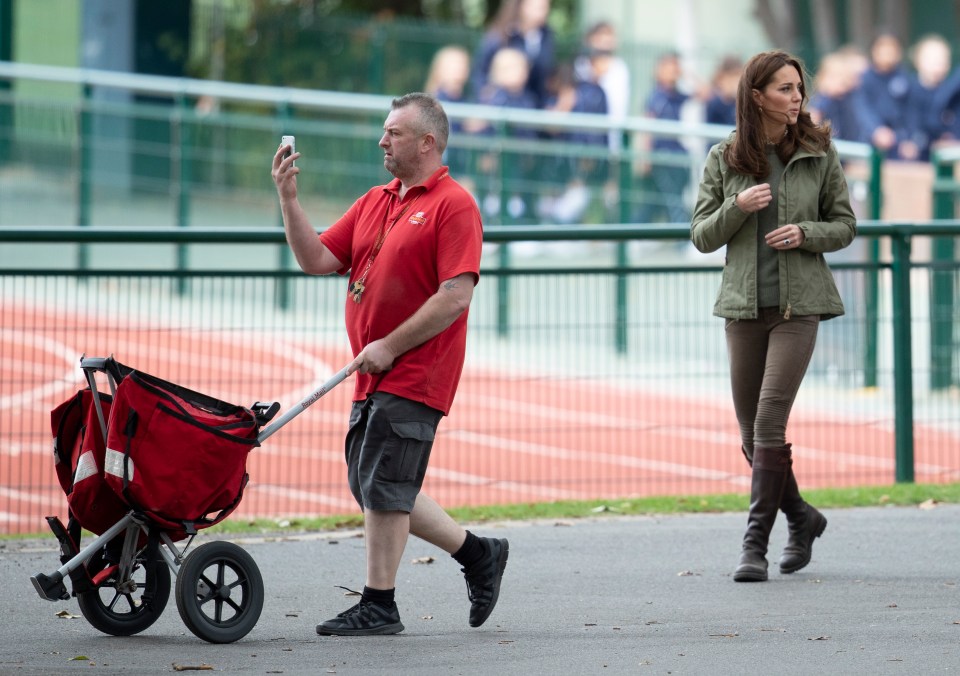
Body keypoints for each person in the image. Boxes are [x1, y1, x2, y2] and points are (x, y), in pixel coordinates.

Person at [271, 93, 508, 635]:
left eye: (394, 133)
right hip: (374, 370)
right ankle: (478, 554)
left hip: (415, 371)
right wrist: (289, 200)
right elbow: (316, 259)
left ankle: (380, 603)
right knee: (373, 481)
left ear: (427, 142)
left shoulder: (454, 204)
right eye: (384, 131)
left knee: (381, 482)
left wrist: (391, 345)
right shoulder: (376, 199)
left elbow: (455, 295)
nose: (382, 141)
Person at [690, 51, 856, 582]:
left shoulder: (819, 152)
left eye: (799, 89)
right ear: (757, 95)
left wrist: (807, 232)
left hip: (799, 306)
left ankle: (754, 544)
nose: (796, 98)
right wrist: (736, 209)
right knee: (750, 435)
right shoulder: (724, 157)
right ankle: (802, 517)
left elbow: (845, 225)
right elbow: (700, 236)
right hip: (743, 308)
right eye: (785, 89)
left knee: (767, 421)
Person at [472, 0, 555, 109]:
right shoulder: (500, 36)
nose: (543, 12)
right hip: (500, 102)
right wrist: (485, 96)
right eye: (538, 7)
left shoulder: (546, 37)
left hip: (530, 104)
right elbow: (480, 71)